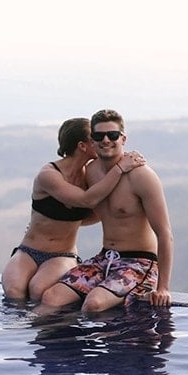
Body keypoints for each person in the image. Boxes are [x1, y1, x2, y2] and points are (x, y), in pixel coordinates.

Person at [37, 109, 173, 314]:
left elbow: (165, 234)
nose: (106, 140)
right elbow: (82, 205)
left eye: (113, 135)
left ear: (123, 138)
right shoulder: (91, 172)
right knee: (51, 298)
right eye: (99, 136)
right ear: (91, 141)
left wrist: (163, 288)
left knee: (94, 304)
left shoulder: (142, 177)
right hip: (105, 258)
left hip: (139, 263)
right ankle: (28, 338)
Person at [1, 117, 145, 302]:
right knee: (14, 291)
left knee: (38, 290)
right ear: (83, 145)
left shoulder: (90, 177)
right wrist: (119, 169)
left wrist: (70, 221)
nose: (101, 142)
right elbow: (87, 200)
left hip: (63, 254)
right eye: (95, 138)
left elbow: (98, 211)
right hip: (28, 251)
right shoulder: (49, 175)